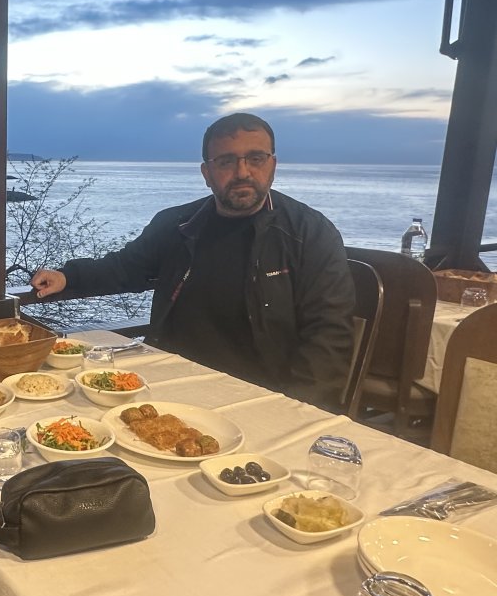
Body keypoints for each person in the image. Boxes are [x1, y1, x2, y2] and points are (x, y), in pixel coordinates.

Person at [30, 112, 355, 409]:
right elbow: (125, 267)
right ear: (207, 172)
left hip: (262, 395)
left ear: (273, 164)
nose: (243, 172)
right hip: (168, 382)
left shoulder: (309, 234)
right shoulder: (177, 225)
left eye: (256, 158)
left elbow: (329, 338)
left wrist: (296, 411)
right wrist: (68, 276)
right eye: (226, 161)